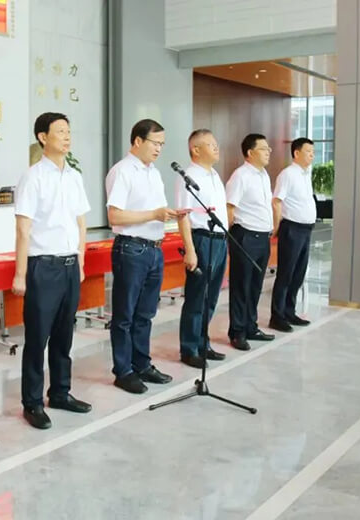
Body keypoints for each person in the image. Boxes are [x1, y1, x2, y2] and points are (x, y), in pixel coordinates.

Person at [12, 112, 92, 430]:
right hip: (43, 267)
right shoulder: (33, 177)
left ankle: (60, 392)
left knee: (64, 335)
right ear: (43, 137)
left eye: (68, 131)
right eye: (60, 131)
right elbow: (23, 228)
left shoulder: (74, 176)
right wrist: (20, 274)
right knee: (37, 339)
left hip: (70, 265)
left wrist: (81, 261)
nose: (67, 136)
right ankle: (32, 402)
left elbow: (81, 222)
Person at [105, 119, 176, 394]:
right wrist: (153, 214)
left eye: (162, 144)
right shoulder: (122, 171)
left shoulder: (154, 173)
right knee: (125, 314)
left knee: (146, 313)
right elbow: (115, 216)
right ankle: (123, 371)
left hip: (154, 248)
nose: (159, 149)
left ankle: (142, 364)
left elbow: (156, 210)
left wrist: (167, 215)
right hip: (131, 248)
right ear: (137, 141)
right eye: (155, 143)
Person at [175, 129, 228, 368]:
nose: (216, 147)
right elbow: (183, 216)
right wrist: (190, 249)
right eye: (210, 144)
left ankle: (202, 342)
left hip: (220, 239)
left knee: (211, 297)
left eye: (216, 143)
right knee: (197, 297)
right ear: (195, 149)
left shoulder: (214, 174)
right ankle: (189, 348)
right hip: (202, 239)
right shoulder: (187, 176)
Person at [225, 133, 277, 351]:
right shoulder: (241, 176)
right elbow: (230, 208)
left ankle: (250, 326)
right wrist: (230, 238)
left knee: (255, 285)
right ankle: (237, 331)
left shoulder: (263, 175)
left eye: (268, 148)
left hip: (262, 237)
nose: (268, 152)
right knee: (241, 285)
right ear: (250, 152)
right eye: (264, 149)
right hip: (245, 236)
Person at [270, 137, 316, 331]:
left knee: (298, 273)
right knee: (286, 273)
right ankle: (277, 316)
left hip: (305, 229)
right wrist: (276, 226)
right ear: (296, 153)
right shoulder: (288, 174)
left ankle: (289, 311)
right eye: (308, 152)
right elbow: (277, 201)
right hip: (292, 228)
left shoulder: (306, 173)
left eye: (313, 152)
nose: (312, 155)